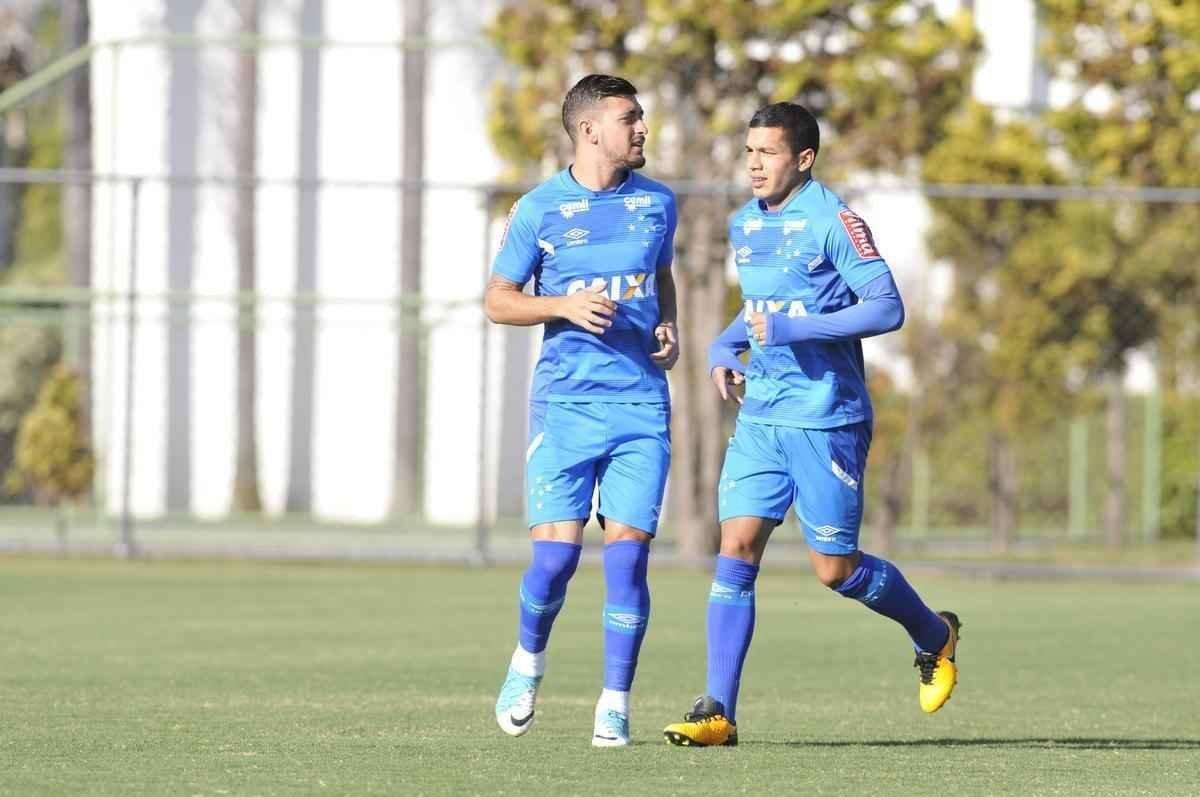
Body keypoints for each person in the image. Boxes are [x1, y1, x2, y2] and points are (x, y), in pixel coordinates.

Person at [662, 102, 960, 748]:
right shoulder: (745, 224)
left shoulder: (835, 220)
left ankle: (935, 634)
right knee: (735, 546)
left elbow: (886, 307)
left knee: (835, 570)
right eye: (748, 153)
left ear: (803, 159)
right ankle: (719, 711)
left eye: (768, 153)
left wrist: (796, 329)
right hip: (763, 415)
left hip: (827, 419)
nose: (754, 165)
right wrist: (723, 346)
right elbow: (764, 308)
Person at [486, 74, 679, 748]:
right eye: (631, 118)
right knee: (555, 563)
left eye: (642, 116)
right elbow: (498, 299)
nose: (643, 128)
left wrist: (668, 326)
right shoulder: (539, 209)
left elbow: (661, 277)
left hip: (640, 407)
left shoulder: (658, 204)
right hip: (565, 408)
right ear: (590, 128)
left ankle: (614, 702)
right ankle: (526, 661)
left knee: (627, 561)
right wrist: (561, 305)